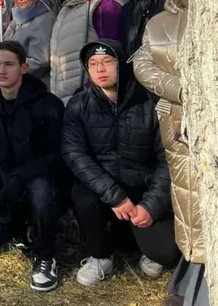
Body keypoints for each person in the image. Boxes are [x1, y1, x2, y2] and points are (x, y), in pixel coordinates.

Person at [63, 40, 179, 288]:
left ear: (123, 64)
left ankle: (139, 242)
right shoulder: (79, 104)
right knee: (83, 195)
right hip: (103, 190)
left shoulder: (150, 102)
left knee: (166, 254)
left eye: (107, 61)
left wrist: (152, 205)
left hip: (142, 188)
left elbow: (168, 158)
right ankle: (101, 256)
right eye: (93, 64)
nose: (100, 69)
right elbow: (75, 154)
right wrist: (115, 196)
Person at [134, 0, 208, 306]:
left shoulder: (210, 12)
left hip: (210, 120)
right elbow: (142, 63)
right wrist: (179, 89)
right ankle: (194, 273)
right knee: (186, 193)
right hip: (175, 120)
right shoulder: (158, 21)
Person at [0, 41, 64, 293]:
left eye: (9, 64)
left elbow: (56, 156)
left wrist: (20, 177)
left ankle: (45, 254)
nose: (1, 70)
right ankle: (24, 227)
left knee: (41, 190)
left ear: (23, 68)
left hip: (38, 178)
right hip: (2, 180)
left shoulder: (49, 104)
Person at [50, 0, 123, 105]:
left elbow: (111, 49)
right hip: (65, 95)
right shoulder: (66, 9)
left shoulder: (105, 4)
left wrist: (93, 88)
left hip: (93, 96)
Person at [4, 0, 56, 86]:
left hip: (32, 84)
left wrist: (9, 67)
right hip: (15, 82)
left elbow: (40, 61)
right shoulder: (17, 18)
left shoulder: (43, 19)